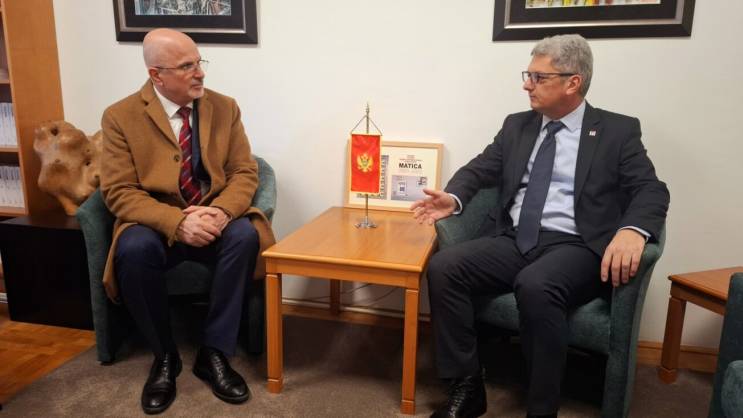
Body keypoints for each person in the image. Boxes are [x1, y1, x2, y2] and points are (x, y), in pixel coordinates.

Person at [411, 34, 669, 418]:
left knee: (535, 284)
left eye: (538, 77)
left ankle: (542, 409)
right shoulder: (517, 126)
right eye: (528, 75)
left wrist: (633, 230)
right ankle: (466, 388)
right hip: (517, 238)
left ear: (572, 82)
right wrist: (454, 196)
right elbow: (481, 167)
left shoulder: (617, 131)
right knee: (445, 267)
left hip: (577, 245)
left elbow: (651, 189)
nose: (527, 85)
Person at [100, 28, 275, 414]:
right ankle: (165, 356)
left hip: (212, 215)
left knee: (245, 236)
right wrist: (177, 223)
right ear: (156, 75)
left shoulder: (225, 107)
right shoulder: (119, 117)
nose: (200, 73)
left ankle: (214, 353)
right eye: (186, 66)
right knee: (133, 248)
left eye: (199, 62)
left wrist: (221, 211)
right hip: (155, 225)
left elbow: (244, 172)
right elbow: (119, 191)